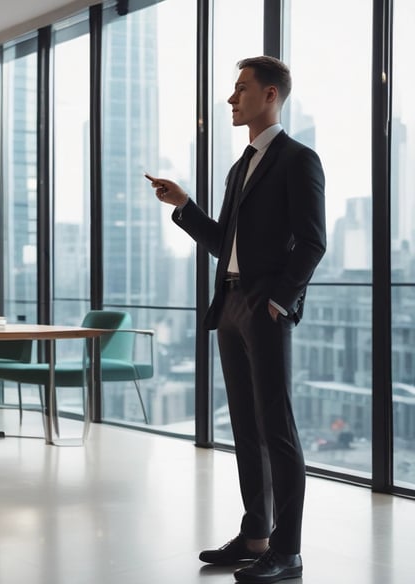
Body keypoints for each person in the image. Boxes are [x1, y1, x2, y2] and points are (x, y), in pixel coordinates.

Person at [147, 56, 326, 584]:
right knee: (245, 428)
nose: (231, 99)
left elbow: (313, 241)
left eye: (240, 89)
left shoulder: (298, 159)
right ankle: (256, 536)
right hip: (229, 304)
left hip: (264, 306)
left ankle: (287, 552)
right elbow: (223, 243)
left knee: (277, 429)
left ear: (270, 95)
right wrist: (184, 205)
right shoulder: (238, 167)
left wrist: (279, 301)